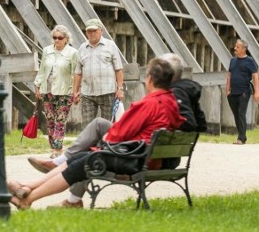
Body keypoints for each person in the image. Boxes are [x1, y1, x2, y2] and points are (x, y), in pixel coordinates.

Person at [25, 52, 201, 208]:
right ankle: (29, 188)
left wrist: (104, 141)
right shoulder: (172, 102)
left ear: (150, 79)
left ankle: (29, 197)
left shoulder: (148, 104)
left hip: (137, 160)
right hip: (151, 158)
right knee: (81, 157)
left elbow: (115, 137)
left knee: (83, 160)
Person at [34, 25, 79, 157]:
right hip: (47, 90)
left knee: (60, 119)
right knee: (50, 120)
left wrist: (75, 91)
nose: (57, 40)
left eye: (60, 38)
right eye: (54, 37)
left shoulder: (72, 53)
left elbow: (75, 73)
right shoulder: (47, 50)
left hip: (65, 91)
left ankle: (57, 149)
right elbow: (42, 70)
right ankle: (53, 146)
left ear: (66, 39)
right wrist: (37, 85)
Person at [74, 18, 124, 121]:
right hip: (87, 93)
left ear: (101, 31)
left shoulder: (110, 45)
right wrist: (75, 91)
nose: (92, 33)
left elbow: (118, 69)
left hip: (108, 91)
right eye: (89, 31)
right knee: (87, 126)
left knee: (108, 125)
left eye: (94, 31)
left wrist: (120, 89)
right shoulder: (82, 48)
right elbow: (78, 72)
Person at [226, 39, 259, 145]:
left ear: (244, 49)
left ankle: (241, 138)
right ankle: (241, 136)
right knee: (236, 114)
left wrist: (257, 92)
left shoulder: (249, 61)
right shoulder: (233, 60)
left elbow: (255, 76)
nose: (235, 48)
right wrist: (227, 89)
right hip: (232, 92)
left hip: (244, 92)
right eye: (235, 46)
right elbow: (229, 75)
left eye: (237, 47)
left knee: (241, 113)